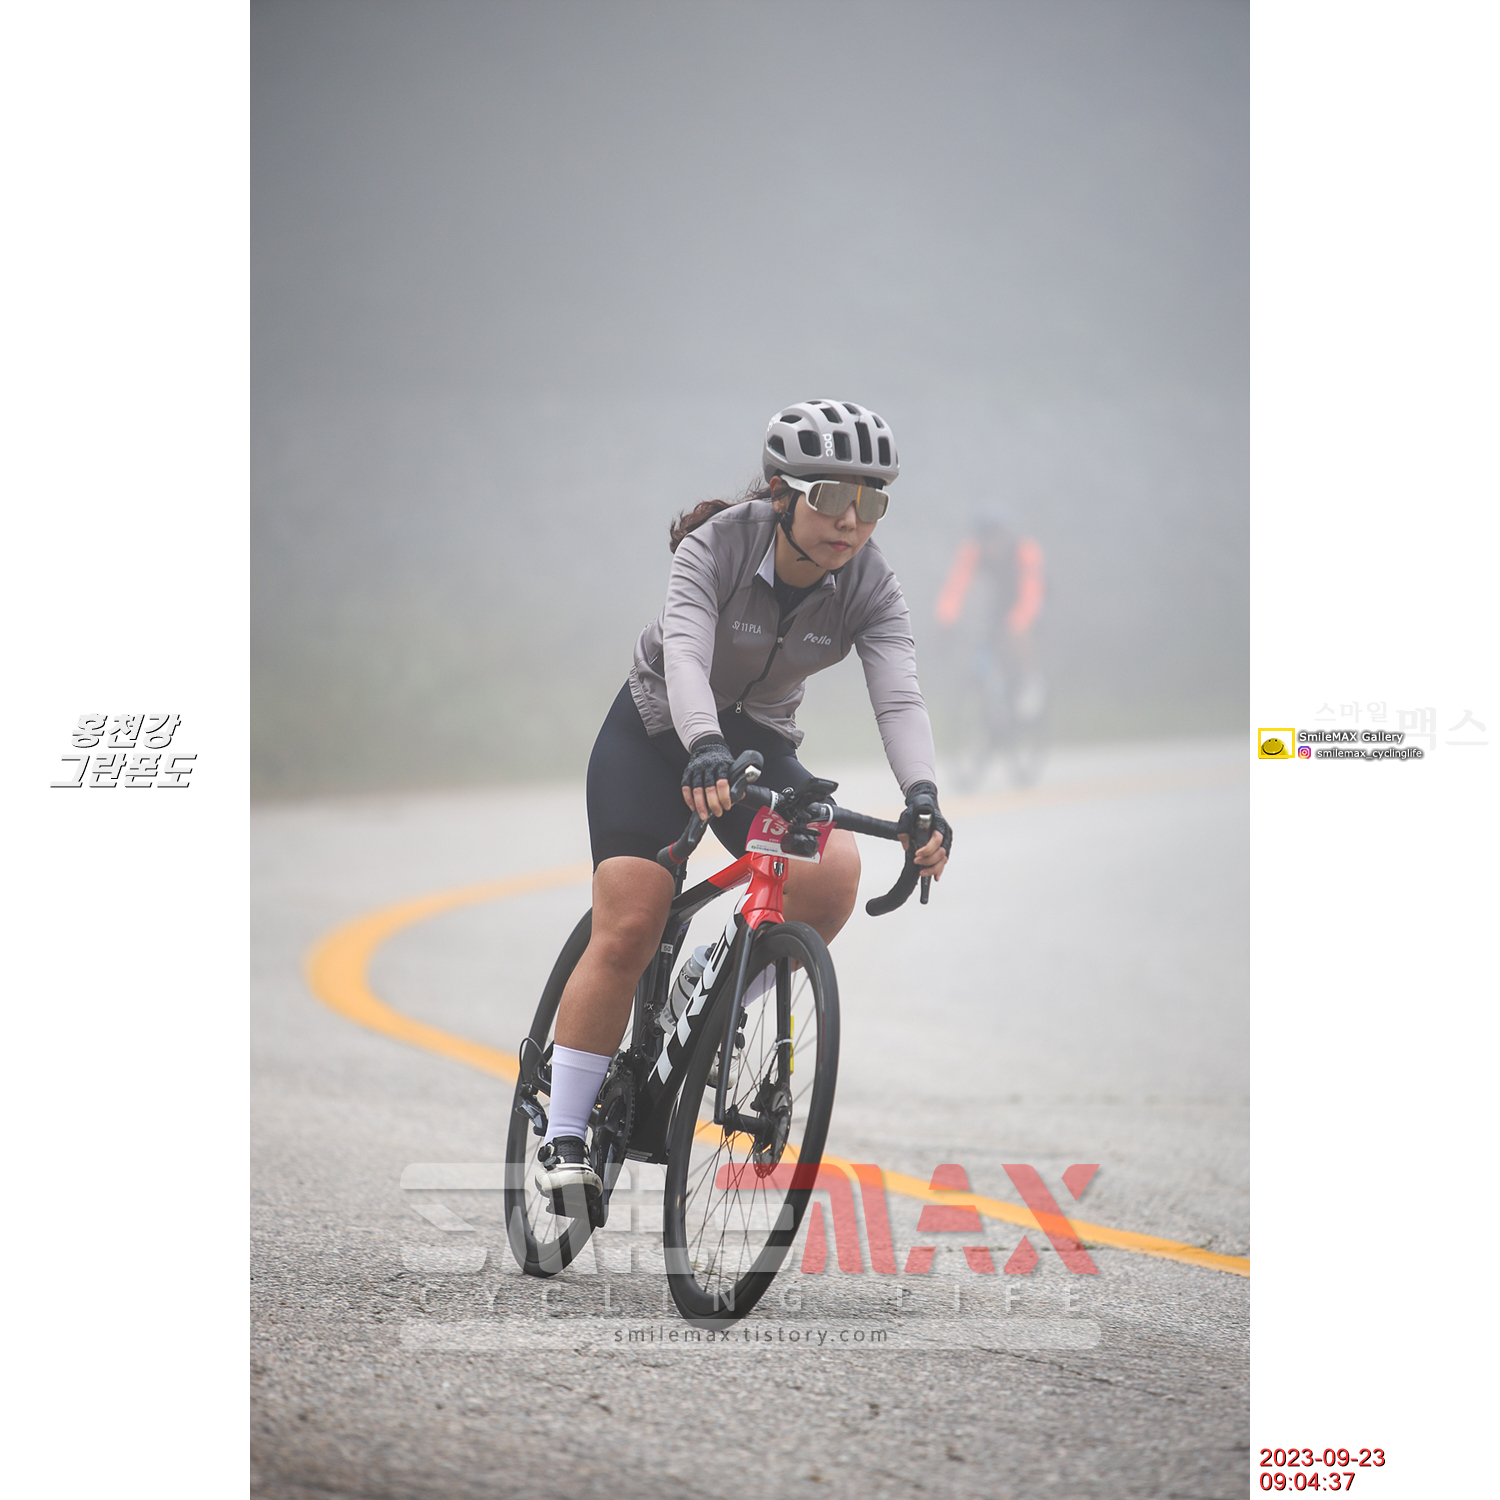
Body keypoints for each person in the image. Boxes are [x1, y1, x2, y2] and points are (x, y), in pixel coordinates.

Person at [534, 398, 954, 1207]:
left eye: (872, 502)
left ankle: (719, 996)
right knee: (632, 920)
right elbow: (686, 659)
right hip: (659, 732)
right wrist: (701, 744)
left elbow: (899, 696)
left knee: (831, 873)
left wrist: (923, 798)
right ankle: (565, 1136)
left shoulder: (870, 583)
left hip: (758, 743)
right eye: (832, 496)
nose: (852, 521)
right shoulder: (717, 546)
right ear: (781, 492)